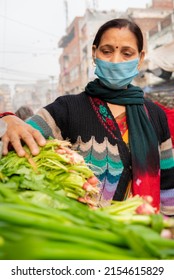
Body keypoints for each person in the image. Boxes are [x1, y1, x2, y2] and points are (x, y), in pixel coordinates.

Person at [1, 18, 174, 215]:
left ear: (140, 58)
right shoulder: (67, 109)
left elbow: (168, 186)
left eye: (127, 53)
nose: (116, 60)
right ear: (94, 53)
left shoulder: (155, 115)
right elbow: (17, 137)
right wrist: (7, 120)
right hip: (85, 238)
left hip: (142, 237)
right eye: (107, 51)